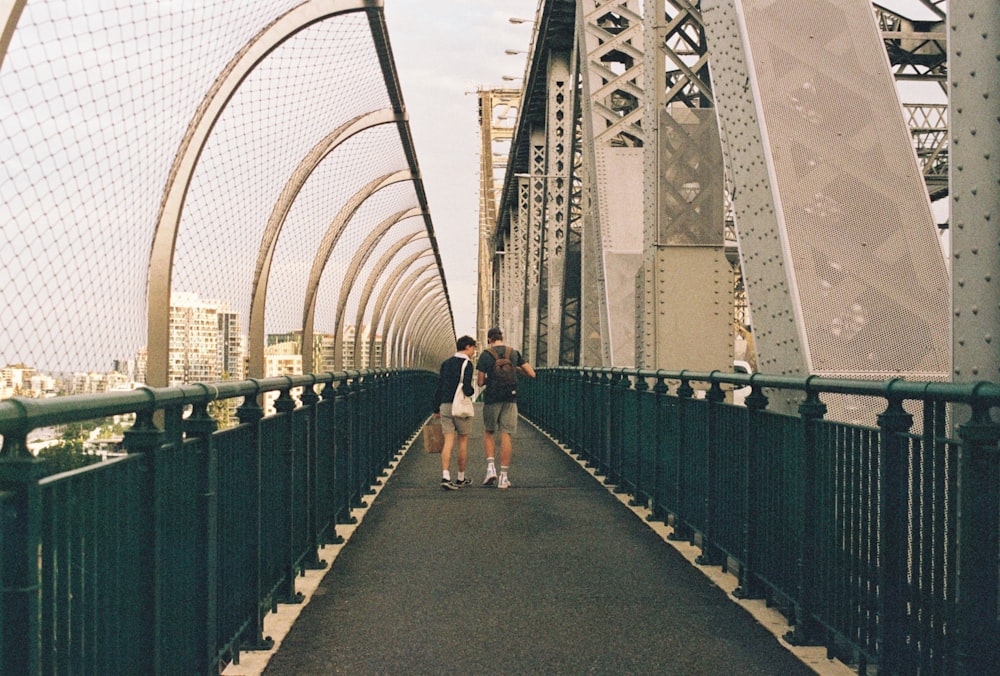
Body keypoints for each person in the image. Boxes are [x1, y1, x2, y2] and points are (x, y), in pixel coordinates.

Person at [476, 327, 535, 489]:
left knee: (489, 432)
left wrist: (492, 378)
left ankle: (490, 469)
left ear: (489, 340)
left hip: (492, 398)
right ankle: (504, 476)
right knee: (506, 435)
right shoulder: (513, 353)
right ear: (503, 337)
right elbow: (531, 373)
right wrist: (513, 370)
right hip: (510, 397)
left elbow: (480, 382)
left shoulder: (486, 355)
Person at [433, 335, 477, 490]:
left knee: (448, 441)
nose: (474, 351)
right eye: (473, 348)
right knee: (463, 442)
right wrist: (472, 391)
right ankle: (460, 477)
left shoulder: (446, 363)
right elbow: (467, 387)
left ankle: (445, 476)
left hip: (445, 405)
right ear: (467, 347)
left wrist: (435, 408)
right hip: (460, 408)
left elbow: (439, 386)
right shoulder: (467, 364)